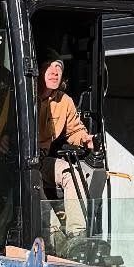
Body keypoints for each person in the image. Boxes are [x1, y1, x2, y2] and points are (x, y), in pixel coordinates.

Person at [37, 54, 93, 238]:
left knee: (72, 173)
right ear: (37, 70)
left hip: (42, 160)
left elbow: (74, 131)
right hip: (18, 162)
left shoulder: (65, 101)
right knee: (31, 179)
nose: (54, 72)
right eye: (49, 67)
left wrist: (85, 139)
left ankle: (76, 234)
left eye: (58, 68)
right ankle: (54, 235)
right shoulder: (21, 94)